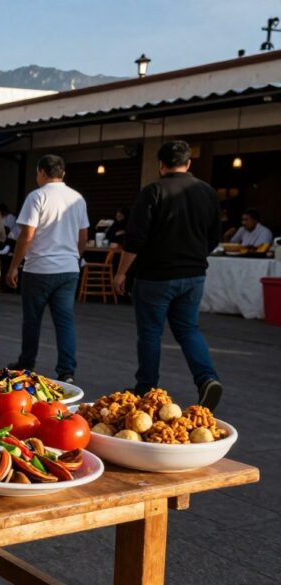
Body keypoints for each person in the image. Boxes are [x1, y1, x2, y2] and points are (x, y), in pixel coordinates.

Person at [114, 141, 224, 409]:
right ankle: (207, 379)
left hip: (155, 276)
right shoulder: (207, 192)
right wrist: (196, 256)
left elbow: (135, 238)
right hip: (194, 274)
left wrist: (121, 273)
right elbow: (214, 236)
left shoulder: (153, 191)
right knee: (188, 329)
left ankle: (146, 387)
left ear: (161, 165)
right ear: (188, 163)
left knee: (151, 333)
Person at [5, 154, 89, 383]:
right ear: (63, 173)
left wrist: (14, 266)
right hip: (68, 268)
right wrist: (75, 257)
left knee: (32, 319)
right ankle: (67, 371)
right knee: (65, 320)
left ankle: (27, 363)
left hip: (39, 268)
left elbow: (27, 235)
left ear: (42, 172)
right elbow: (83, 236)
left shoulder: (37, 196)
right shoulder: (77, 198)